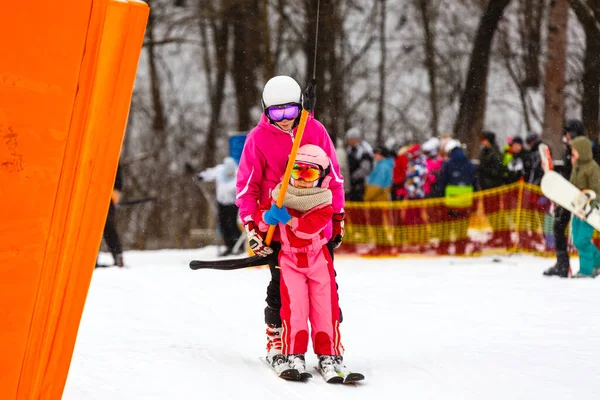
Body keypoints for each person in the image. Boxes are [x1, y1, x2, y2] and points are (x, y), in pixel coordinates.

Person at [235, 75, 345, 370]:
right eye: (276, 113)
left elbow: (333, 177)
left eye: (290, 112)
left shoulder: (315, 130)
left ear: (300, 107)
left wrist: (338, 217)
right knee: (280, 284)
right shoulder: (257, 139)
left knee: (326, 286)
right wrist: (251, 225)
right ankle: (278, 339)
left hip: (315, 221)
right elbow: (247, 187)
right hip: (275, 222)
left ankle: (330, 345)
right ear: (265, 110)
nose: (284, 120)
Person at [253, 144, 349, 380]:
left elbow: (308, 228)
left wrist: (286, 218)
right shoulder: (279, 195)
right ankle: (294, 353)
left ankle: (329, 354)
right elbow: (261, 221)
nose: (303, 179)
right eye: (298, 171)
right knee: (295, 308)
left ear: (322, 176)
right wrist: (266, 217)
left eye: (310, 173)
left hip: (318, 258)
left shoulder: (324, 200)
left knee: (324, 308)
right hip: (290, 260)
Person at [565, 136, 600, 278]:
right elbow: (572, 185)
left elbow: (597, 189)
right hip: (577, 209)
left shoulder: (593, 167)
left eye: (575, 149)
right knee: (578, 240)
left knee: (582, 240)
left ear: (583, 150)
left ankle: (586, 271)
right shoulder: (577, 166)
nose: (572, 151)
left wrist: (591, 204)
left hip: (589, 210)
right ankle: (597, 262)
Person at [435, 139, 476, 255]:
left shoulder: (447, 165)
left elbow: (441, 183)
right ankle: (460, 249)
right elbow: (475, 183)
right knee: (462, 227)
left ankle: (443, 249)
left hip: (450, 201)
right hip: (465, 201)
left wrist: (439, 198)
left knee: (446, 226)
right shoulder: (470, 165)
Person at [195, 157, 242, 256]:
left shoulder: (239, 174)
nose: (229, 175)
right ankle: (229, 246)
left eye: (231, 173)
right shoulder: (220, 170)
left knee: (233, 224)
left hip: (233, 204)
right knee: (223, 224)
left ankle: (239, 246)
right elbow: (210, 173)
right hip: (222, 203)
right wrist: (201, 176)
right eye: (228, 173)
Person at [478, 131, 510, 247]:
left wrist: (484, 170)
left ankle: (501, 235)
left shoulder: (495, 153)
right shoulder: (484, 152)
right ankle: (497, 234)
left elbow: (498, 171)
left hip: (493, 187)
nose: (483, 142)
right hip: (486, 187)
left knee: (495, 212)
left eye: (484, 139)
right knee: (489, 212)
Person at [96, 164, 124, 268]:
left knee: (108, 227)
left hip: (107, 198)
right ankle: (92, 259)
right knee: (93, 229)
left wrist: (115, 190)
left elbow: (117, 172)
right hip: (93, 194)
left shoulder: (112, 160)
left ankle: (118, 258)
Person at [345, 127, 373, 201]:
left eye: (350, 139)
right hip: (351, 185)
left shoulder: (364, 150)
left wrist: (353, 177)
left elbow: (365, 169)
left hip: (360, 185)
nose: (349, 141)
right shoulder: (349, 149)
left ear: (356, 139)